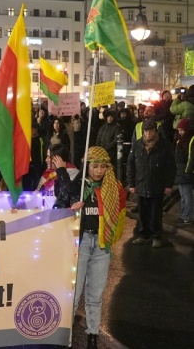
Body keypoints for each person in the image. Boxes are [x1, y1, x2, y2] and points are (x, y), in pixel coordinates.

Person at [54, 146, 127, 349]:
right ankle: (65, 337)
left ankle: (92, 336)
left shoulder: (112, 188)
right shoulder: (75, 188)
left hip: (102, 246)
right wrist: (71, 210)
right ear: (87, 166)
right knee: (74, 293)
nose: (99, 170)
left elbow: (120, 210)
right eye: (95, 166)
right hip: (81, 242)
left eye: (103, 166)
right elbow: (56, 210)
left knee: (95, 295)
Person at [127, 119, 175, 248]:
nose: (148, 134)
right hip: (141, 184)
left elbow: (170, 167)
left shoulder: (164, 145)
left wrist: (168, 185)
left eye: (150, 131)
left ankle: (156, 236)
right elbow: (131, 165)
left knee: (155, 213)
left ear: (155, 131)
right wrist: (131, 183)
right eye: (146, 131)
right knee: (142, 213)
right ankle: (144, 235)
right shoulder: (137, 145)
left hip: (157, 185)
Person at [174, 119, 194, 226]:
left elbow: (191, 158)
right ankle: (184, 215)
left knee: (187, 195)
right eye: (179, 130)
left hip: (186, 172)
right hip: (181, 171)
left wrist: (187, 171)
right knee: (183, 195)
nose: (180, 132)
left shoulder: (191, 140)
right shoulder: (179, 140)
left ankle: (187, 217)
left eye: (182, 130)